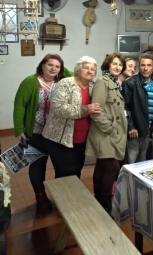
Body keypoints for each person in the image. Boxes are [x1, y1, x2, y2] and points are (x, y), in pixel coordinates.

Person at [13, 53, 70, 209]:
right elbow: (19, 106)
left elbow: (75, 74)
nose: (53, 68)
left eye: (57, 66)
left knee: (61, 165)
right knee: (38, 164)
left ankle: (60, 195)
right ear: (42, 65)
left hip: (57, 133)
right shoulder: (30, 82)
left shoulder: (62, 82)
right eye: (50, 65)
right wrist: (19, 130)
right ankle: (40, 195)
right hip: (36, 132)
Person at [42, 57, 100, 179]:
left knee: (77, 170)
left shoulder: (93, 87)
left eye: (93, 69)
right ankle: (60, 197)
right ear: (78, 70)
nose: (90, 71)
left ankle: (70, 197)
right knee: (66, 173)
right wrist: (86, 109)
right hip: (59, 139)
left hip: (82, 140)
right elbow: (58, 108)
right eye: (86, 68)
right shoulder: (65, 83)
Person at [85, 53, 128, 214]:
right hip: (105, 133)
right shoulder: (103, 82)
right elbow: (96, 111)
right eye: (114, 64)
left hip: (111, 133)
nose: (117, 67)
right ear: (107, 66)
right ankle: (104, 204)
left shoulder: (114, 82)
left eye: (120, 65)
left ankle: (98, 201)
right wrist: (110, 129)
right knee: (112, 168)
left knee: (102, 167)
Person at [122, 54, 153, 163]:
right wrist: (131, 127)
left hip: (148, 129)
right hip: (135, 129)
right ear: (139, 67)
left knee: (142, 158)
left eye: (149, 65)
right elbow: (125, 107)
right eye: (143, 65)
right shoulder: (130, 82)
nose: (145, 68)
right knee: (131, 160)